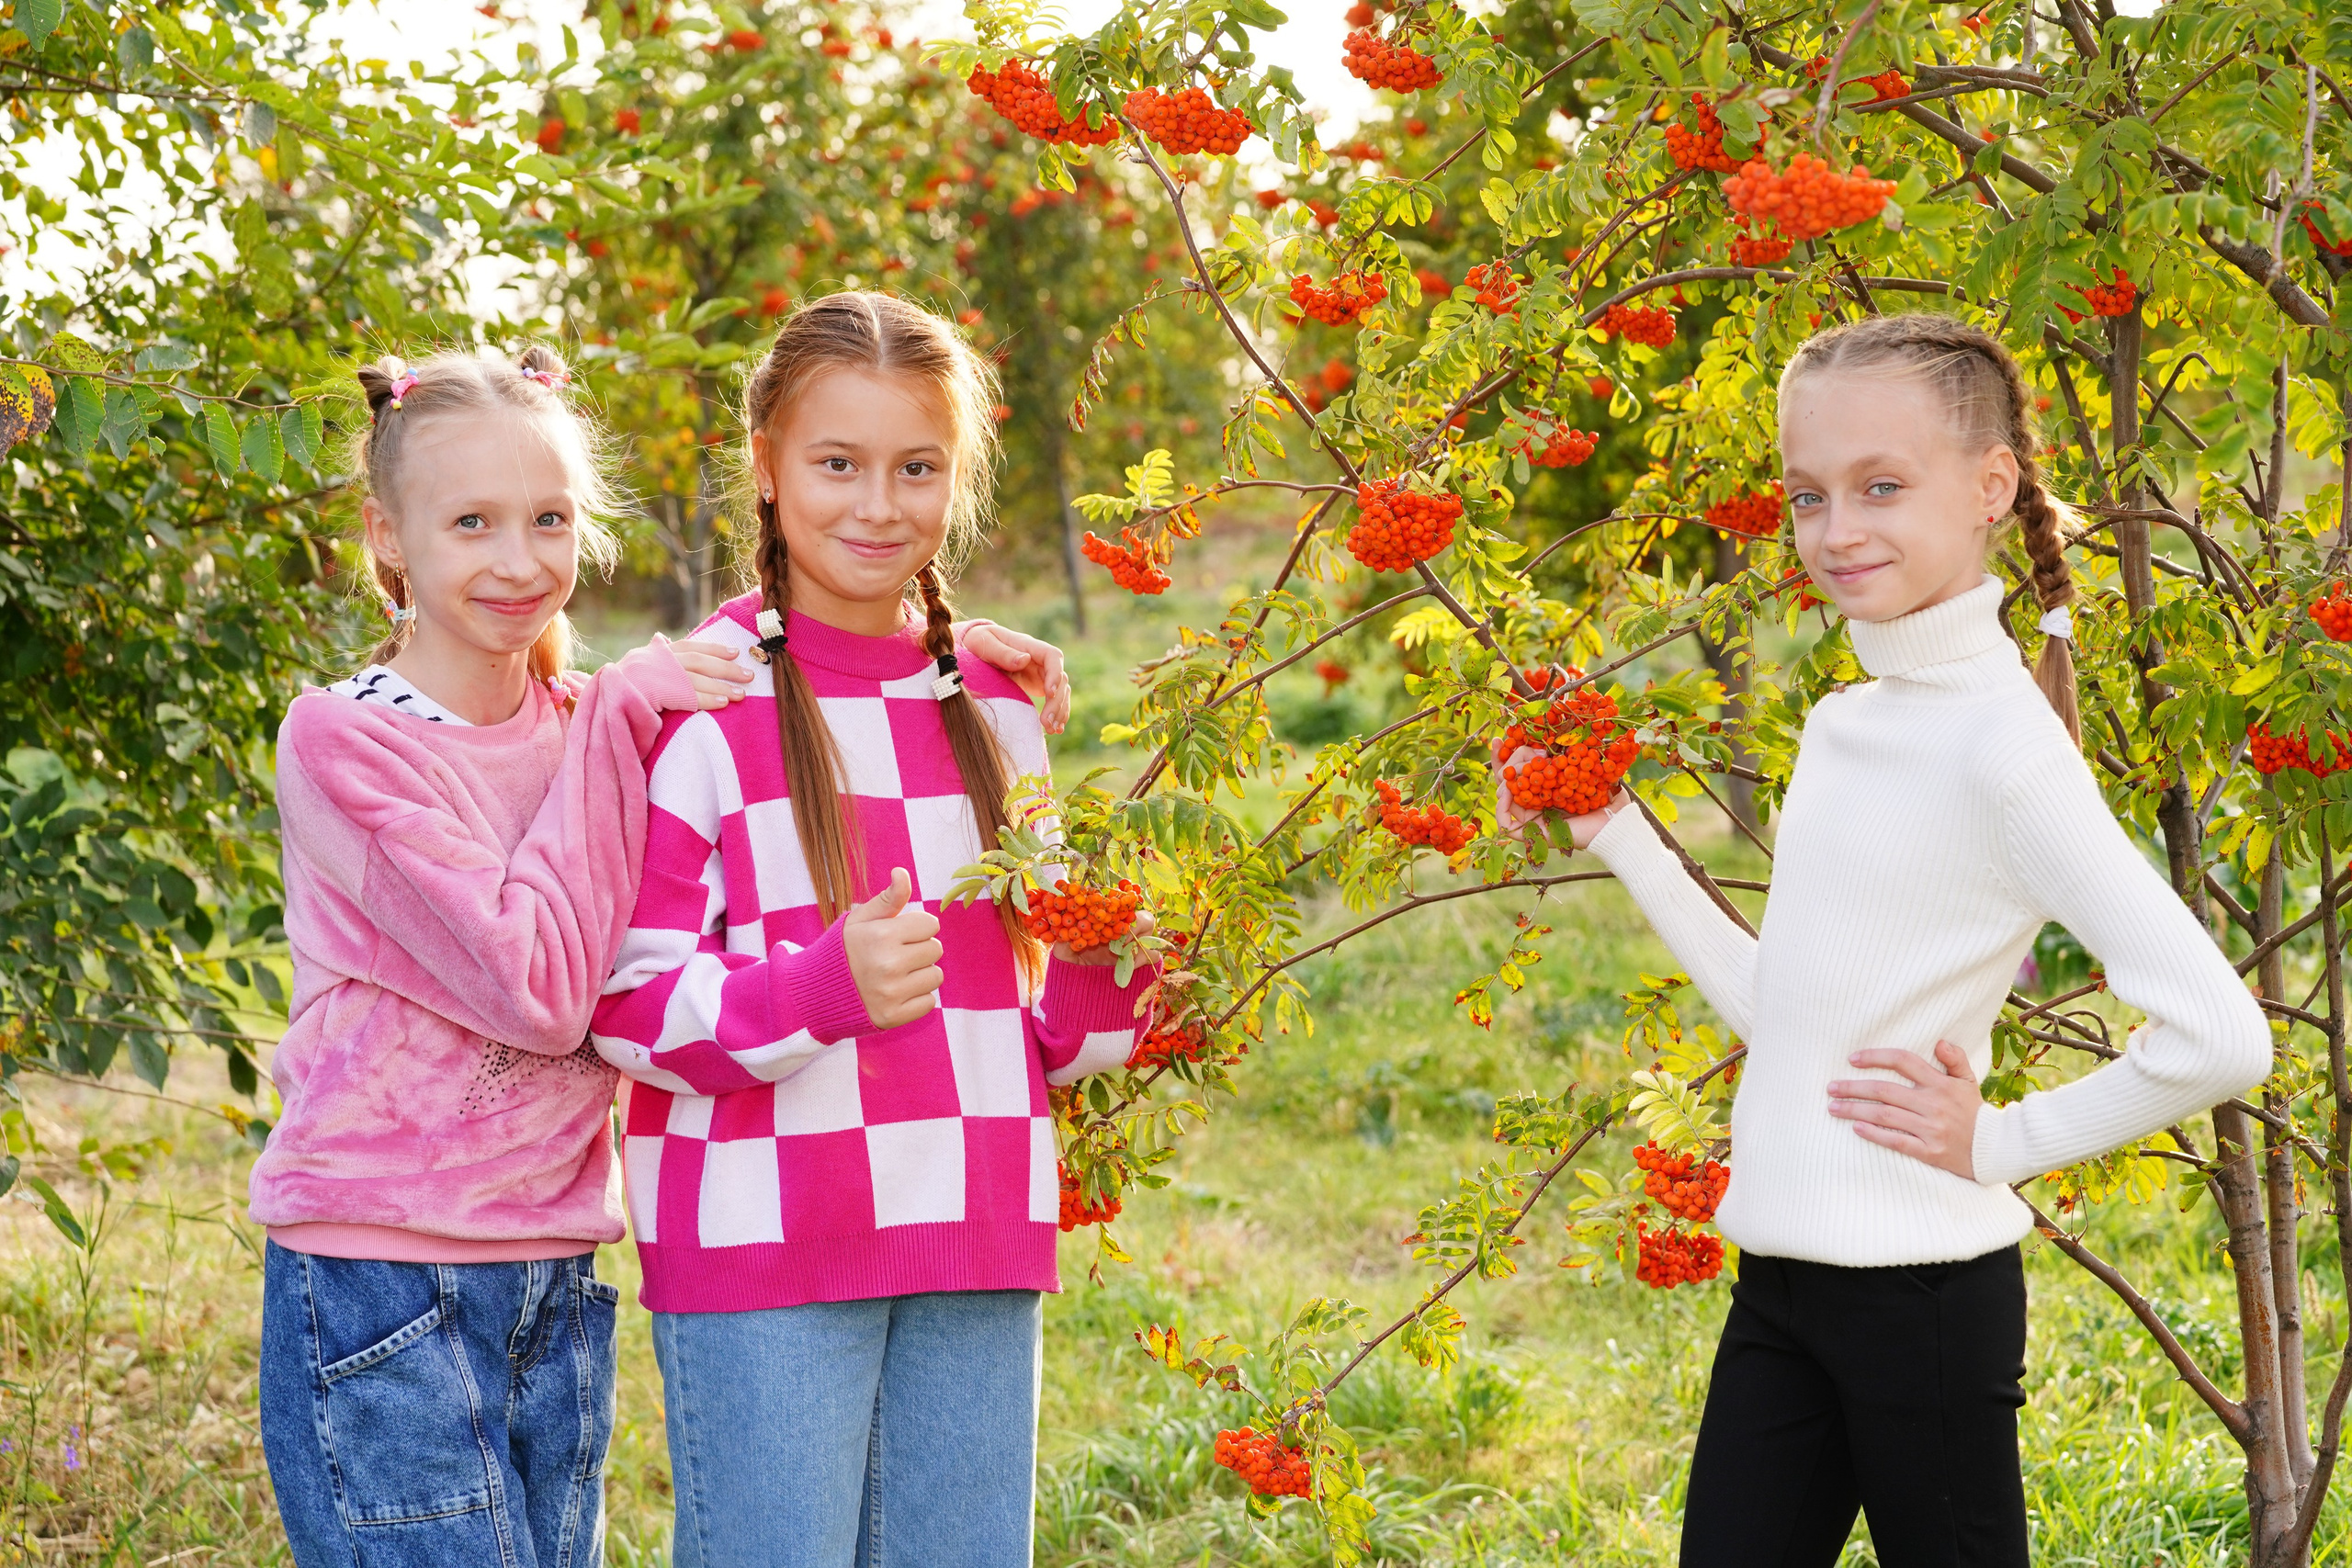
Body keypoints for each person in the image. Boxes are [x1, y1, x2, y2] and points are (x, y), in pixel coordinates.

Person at [250, 344, 1071, 1567]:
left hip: (553, 1255)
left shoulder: (584, 714)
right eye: (471, 522)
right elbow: (543, 987)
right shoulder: (351, 738)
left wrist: (929, 654)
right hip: (384, 1257)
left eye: (550, 520)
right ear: (387, 535)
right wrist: (629, 714)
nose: (520, 559)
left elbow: (797, 667)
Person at [1511, 313, 2269, 1567]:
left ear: (1990, 487)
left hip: (1924, 1299)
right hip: (1781, 1284)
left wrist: (2001, 1141)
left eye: (1880, 486)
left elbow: (2221, 1035)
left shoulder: (2009, 750)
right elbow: (1791, 1017)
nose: (1836, 530)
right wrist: (1614, 830)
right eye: (1808, 495)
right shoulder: (1842, 727)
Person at [590, 291, 1153, 1568]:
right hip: (763, 1237)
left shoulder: (997, 708)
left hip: (973, 1221)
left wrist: (1130, 981)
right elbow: (624, 1005)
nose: (876, 504)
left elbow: (1030, 1025)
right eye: (836, 464)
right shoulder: (705, 700)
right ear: (768, 469)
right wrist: (817, 989)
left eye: (917, 468)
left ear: (956, 483)